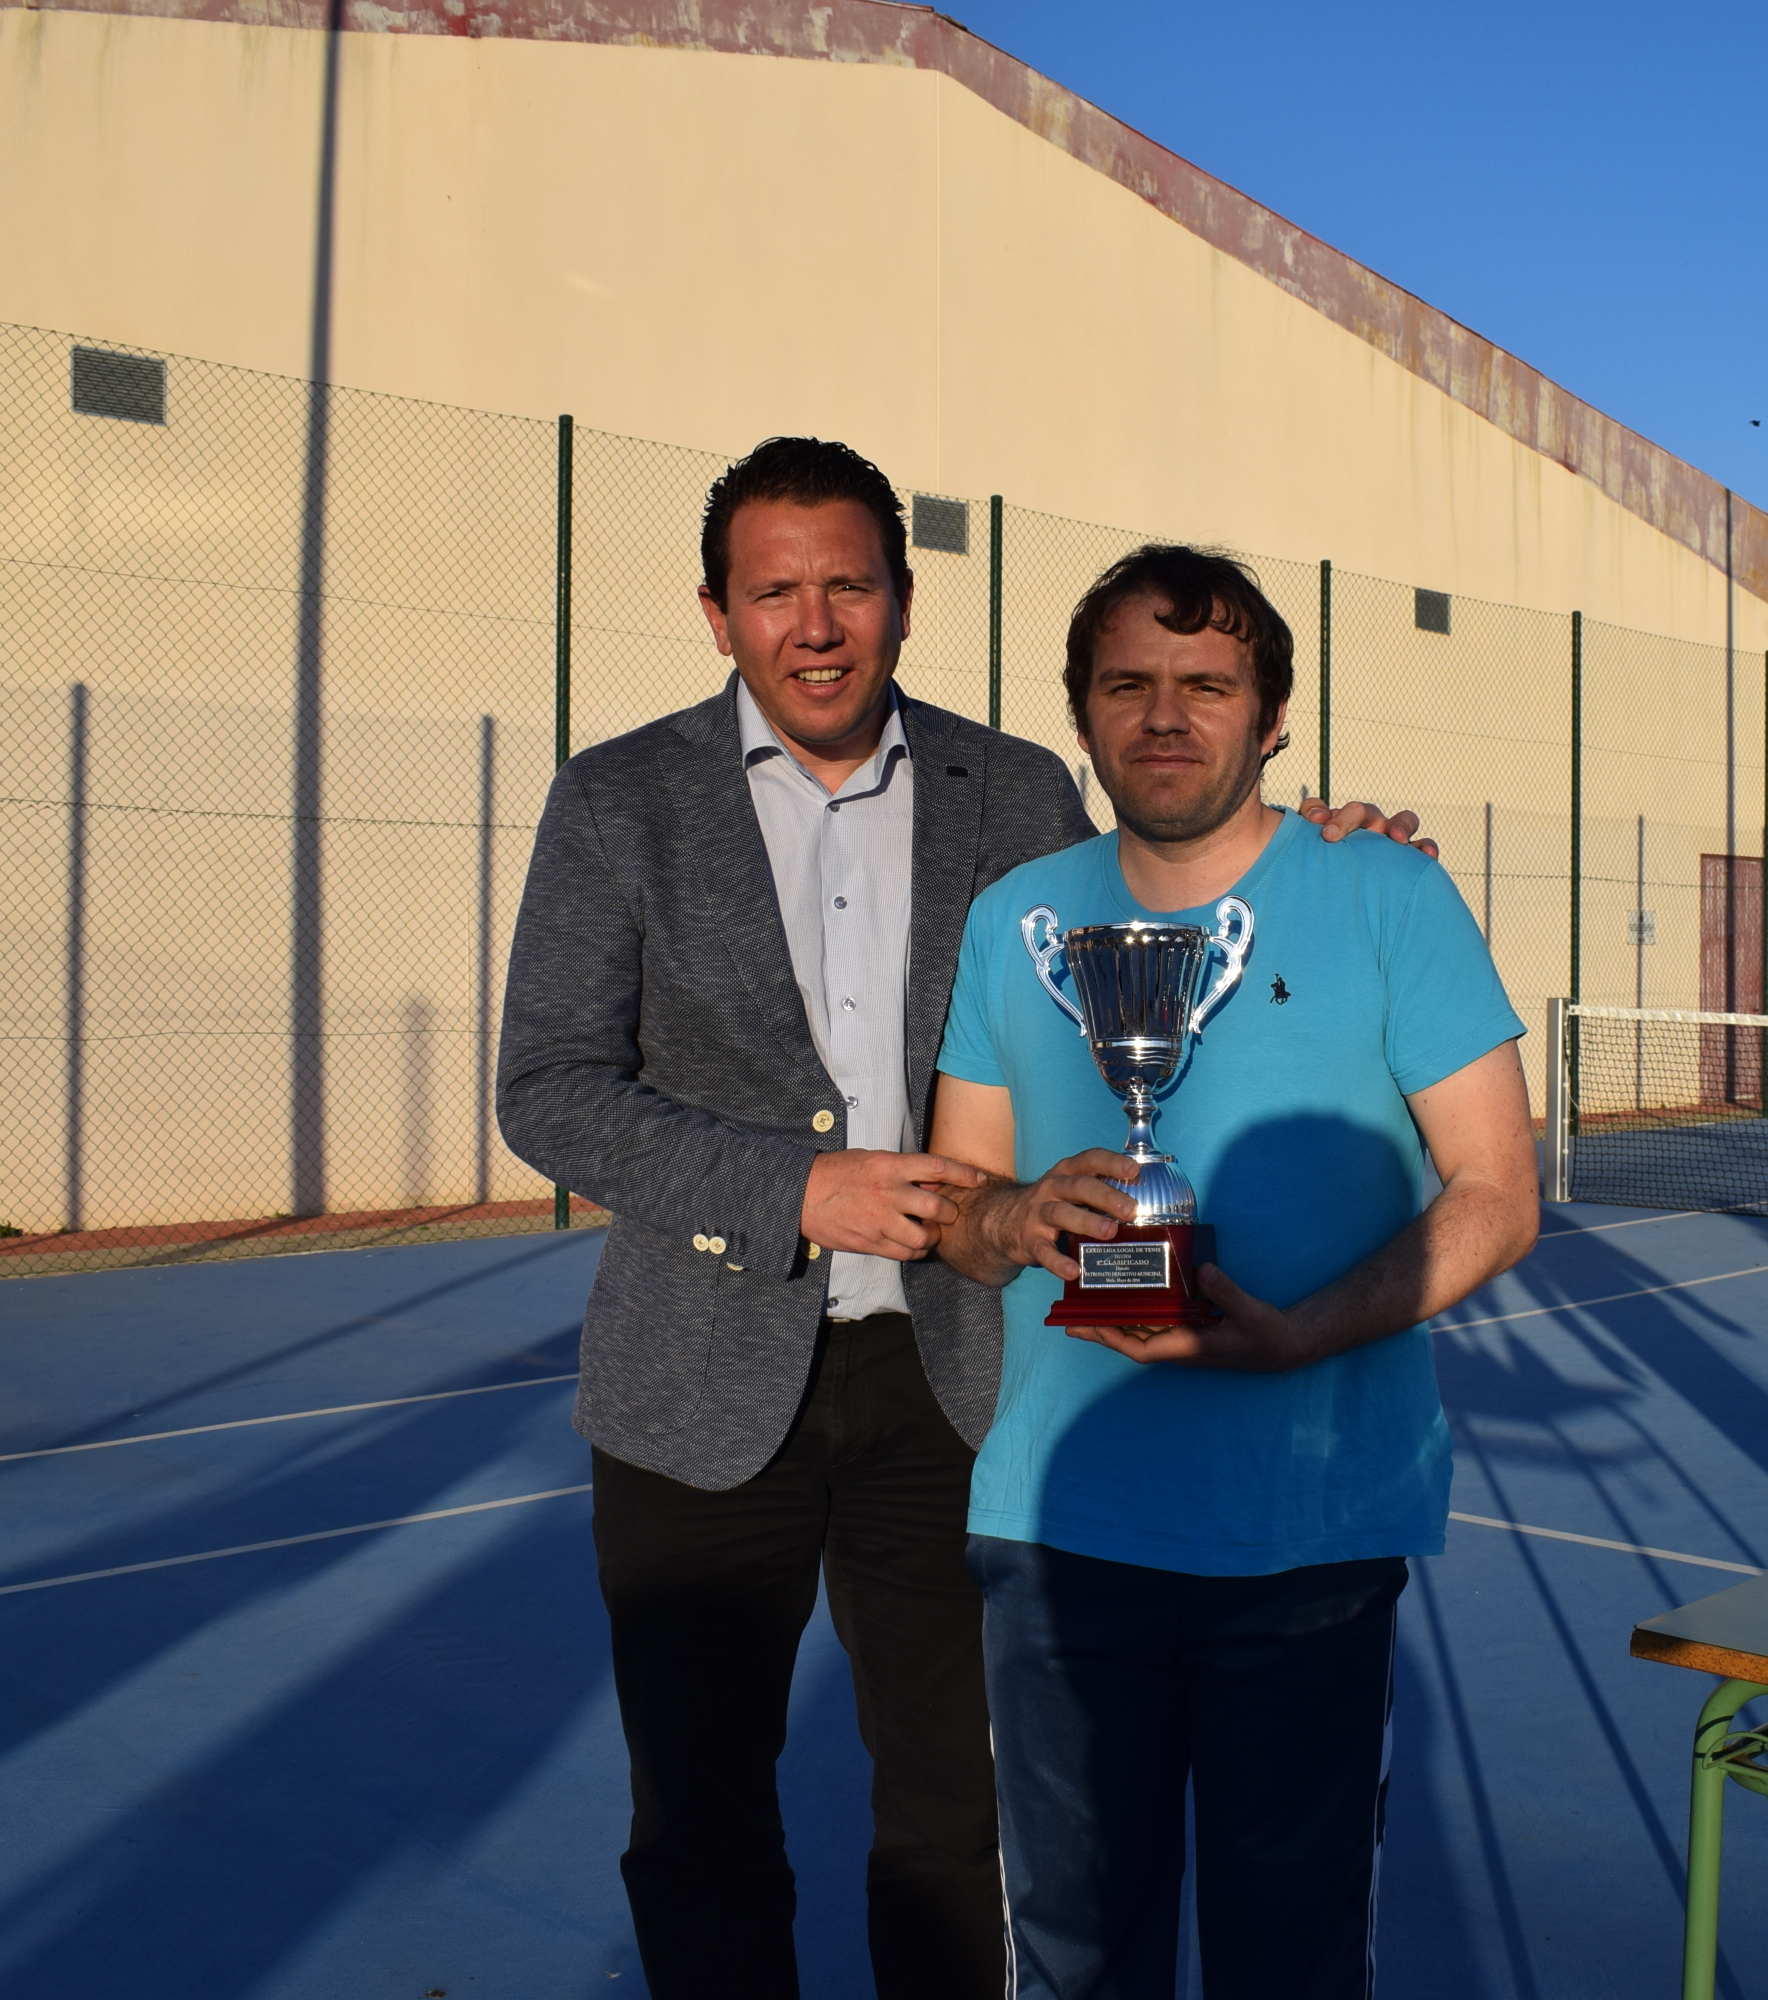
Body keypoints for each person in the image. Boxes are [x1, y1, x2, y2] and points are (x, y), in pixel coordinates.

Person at [493, 442, 1428, 2000]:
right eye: (774, 592)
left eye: (847, 585)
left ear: (904, 602)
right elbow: (551, 1088)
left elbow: (1171, 904)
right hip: (692, 1393)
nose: (815, 625)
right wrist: (794, 1188)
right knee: (701, 1822)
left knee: (956, 1820)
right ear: (717, 615)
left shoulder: (1019, 791)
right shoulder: (616, 798)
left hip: (952, 1391)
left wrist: (1333, 860)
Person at [929, 544, 1538, 1998]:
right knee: (1074, 1962)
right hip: (1061, 1536)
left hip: (1307, 1539)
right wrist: (1014, 1217)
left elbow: (1498, 1196)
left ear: (1271, 720)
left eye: (1207, 685)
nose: (1165, 715)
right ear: (1080, 712)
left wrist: (1299, 1336)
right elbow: (955, 1199)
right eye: (1128, 684)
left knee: (1292, 1963)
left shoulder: (1386, 894)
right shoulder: (1015, 917)